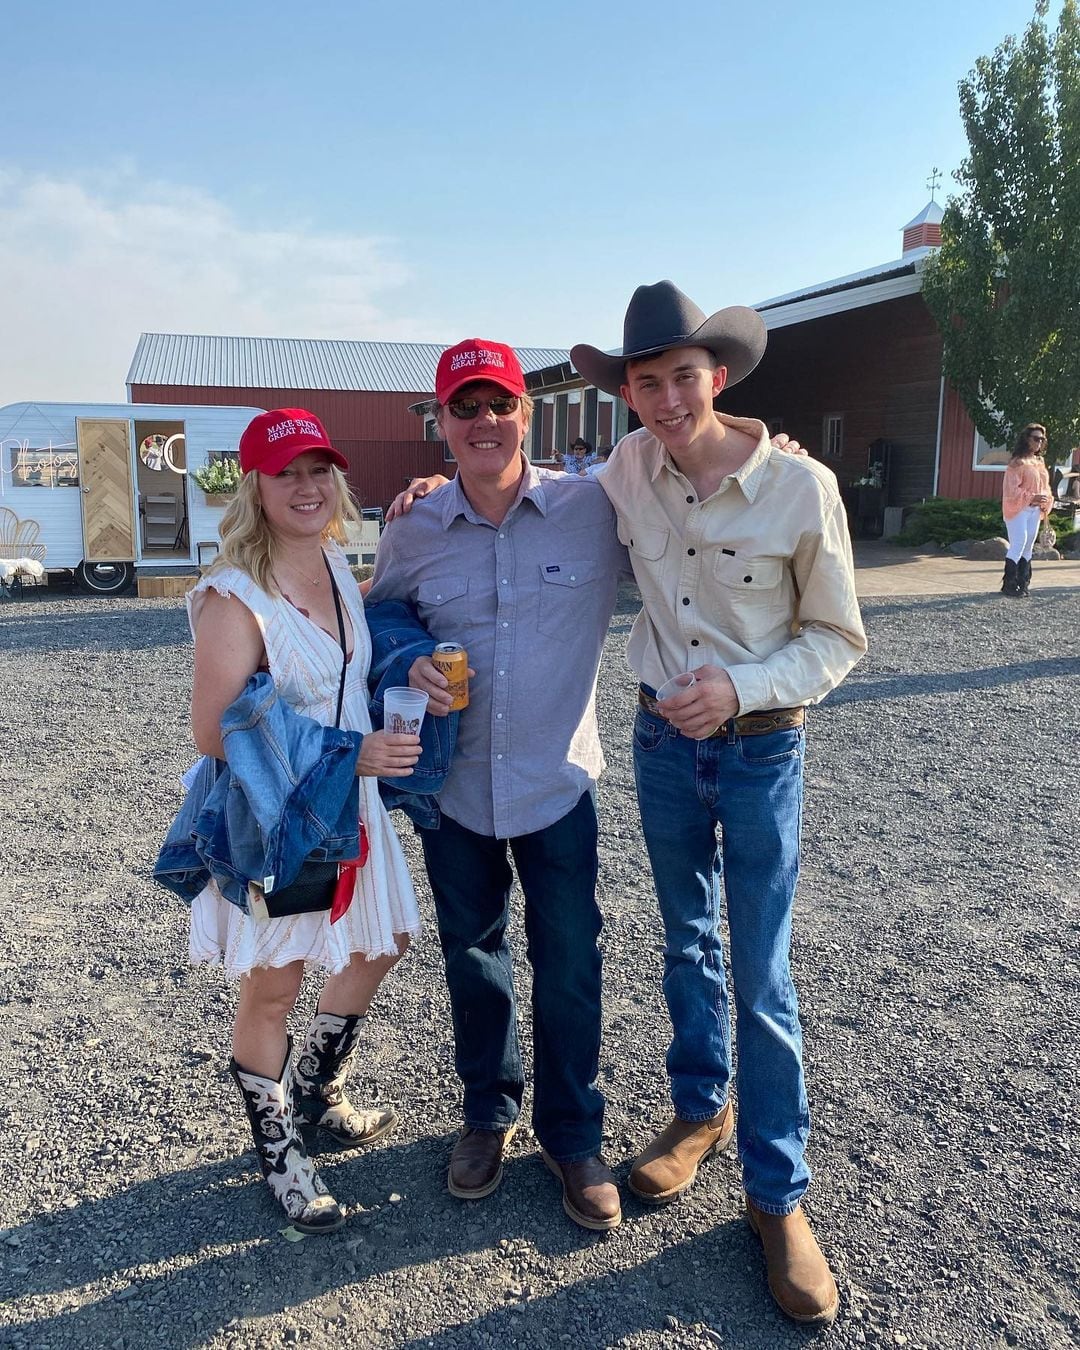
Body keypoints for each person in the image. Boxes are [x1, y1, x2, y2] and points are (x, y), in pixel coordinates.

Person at [570, 281, 866, 1326]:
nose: (663, 399)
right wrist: (437, 488)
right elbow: (548, 507)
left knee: (763, 971)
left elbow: (837, 637)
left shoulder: (802, 486)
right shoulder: (626, 469)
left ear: (720, 376)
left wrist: (741, 687)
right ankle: (699, 1112)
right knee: (684, 944)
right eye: (645, 382)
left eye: (681, 378)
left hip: (758, 750)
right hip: (659, 743)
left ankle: (777, 1196)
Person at [366, 340, 630, 1232]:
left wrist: (767, 453)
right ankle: (487, 1112)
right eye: (465, 407)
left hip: (555, 783)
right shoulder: (412, 528)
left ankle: (573, 1133)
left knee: (568, 963)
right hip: (455, 793)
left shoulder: (594, 509)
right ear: (442, 423)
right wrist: (406, 661)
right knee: (472, 958)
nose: (484, 422)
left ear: (528, 412)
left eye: (499, 404)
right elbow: (378, 620)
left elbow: (691, 510)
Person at [186, 408, 423, 1233]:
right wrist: (347, 754)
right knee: (276, 984)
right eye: (285, 472)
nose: (306, 486)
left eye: (319, 470)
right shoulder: (234, 596)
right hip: (278, 817)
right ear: (253, 484)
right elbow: (213, 730)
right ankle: (279, 1147)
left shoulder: (334, 566)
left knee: (382, 942)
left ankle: (316, 1093)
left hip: (348, 809)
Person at [1001, 423, 1052, 597]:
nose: (1039, 442)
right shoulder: (1017, 462)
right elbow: (1010, 490)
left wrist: (1045, 499)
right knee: (1019, 542)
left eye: (1042, 439)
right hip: (1019, 508)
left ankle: (1023, 583)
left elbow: (1045, 486)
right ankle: (1009, 583)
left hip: (1035, 510)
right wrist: (1032, 497)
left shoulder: (1040, 462)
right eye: (1036, 438)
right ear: (1027, 439)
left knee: (1028, 544)